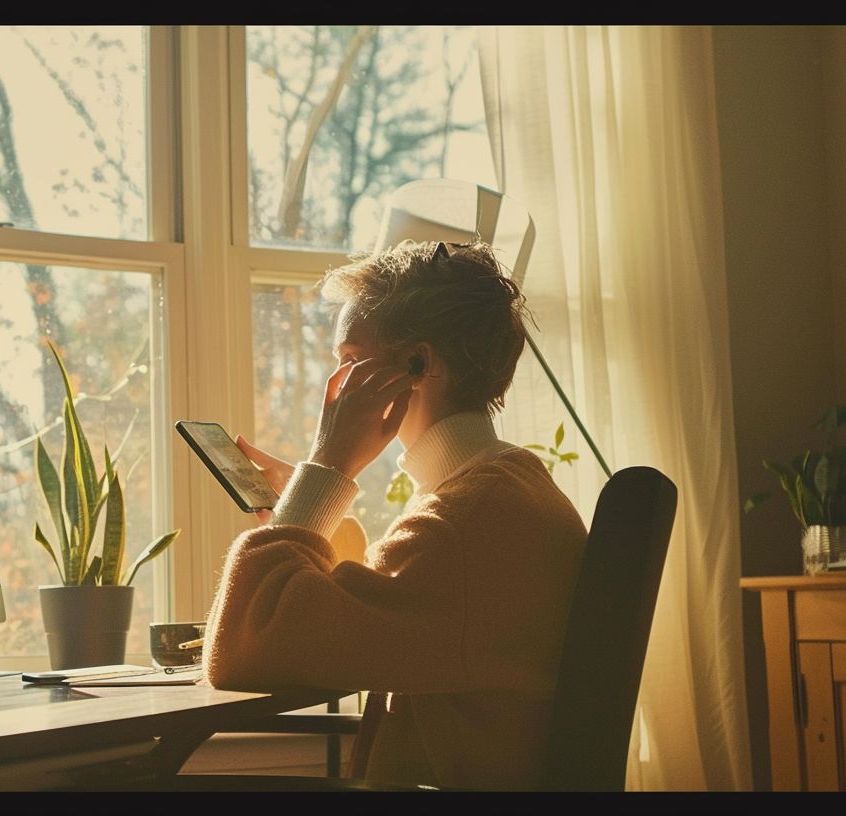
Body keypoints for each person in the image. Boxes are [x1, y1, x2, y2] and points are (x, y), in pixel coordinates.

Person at [203, 239, 588, 790]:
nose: (333, 387)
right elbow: (396, 614)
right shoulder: (502, 493)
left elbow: (248, 646)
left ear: (418, 365)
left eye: (349, 361)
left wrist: (329, 464)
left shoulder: (466, 521)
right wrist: (309, 508)